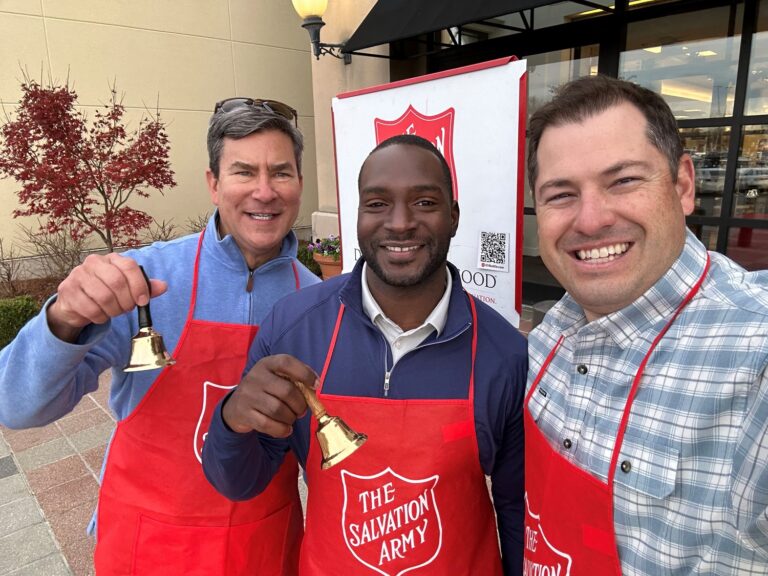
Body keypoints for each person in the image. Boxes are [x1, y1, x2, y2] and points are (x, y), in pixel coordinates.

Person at [0, 97, 321, 575]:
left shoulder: (316, 299)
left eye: (280, 172)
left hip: (263, 541)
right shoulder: (142, 280)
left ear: (298, 183)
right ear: (213, 184)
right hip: (149, 542)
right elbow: (18, 407)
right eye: (243, 172)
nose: (264, 191)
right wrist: (63, 319)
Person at [202, 134, 528, 575]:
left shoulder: (505, 354)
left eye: (425, 202)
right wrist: (231, 419)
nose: (399, 223)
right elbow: (240, 482)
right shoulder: (293, 329)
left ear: (453, 217)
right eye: (376, 204)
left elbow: (517, 513)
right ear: (356, 217)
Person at [524, 74, 768, 574]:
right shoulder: (551, 329)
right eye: (561, 194)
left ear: (682, 185)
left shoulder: (757, 361)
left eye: (624, 181)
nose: (590, 220)